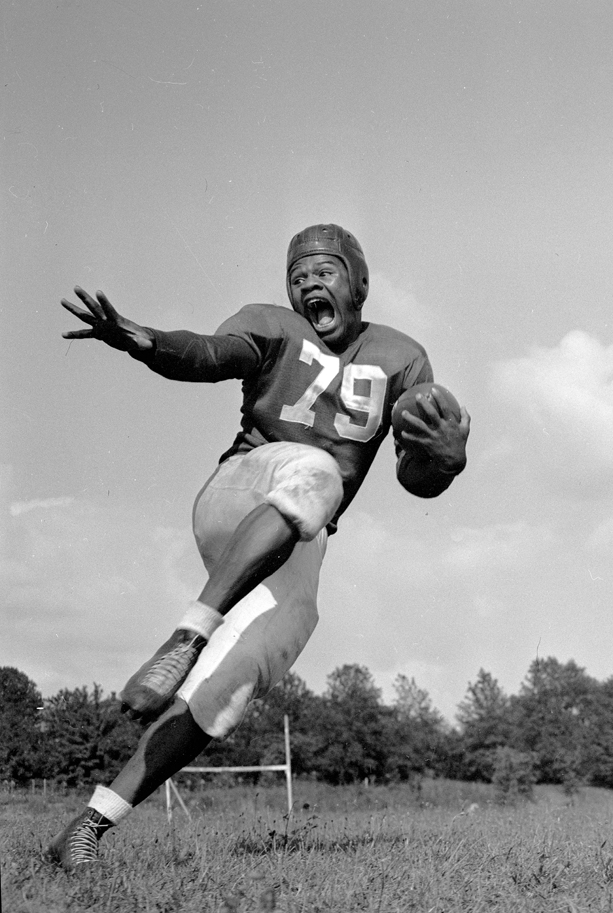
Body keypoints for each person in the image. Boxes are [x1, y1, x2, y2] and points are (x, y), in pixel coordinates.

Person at [44, 224, 470, 870]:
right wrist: (148, 343)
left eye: (323, 270)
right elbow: (211, 355)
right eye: (297, 273)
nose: (306, 282)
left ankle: (86, 828)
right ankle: (188, 633)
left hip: (302, 530)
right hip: (241, 494)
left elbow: (416, 474)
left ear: (358, 282)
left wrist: (445, 460)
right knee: (315, 469)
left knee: (243, 672)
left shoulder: (401, 355)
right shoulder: (274, 326)